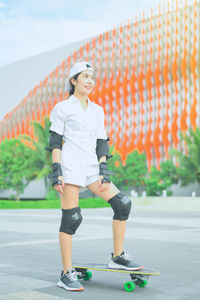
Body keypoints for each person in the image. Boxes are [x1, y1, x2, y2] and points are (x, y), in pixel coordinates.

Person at [48, 61, 143, 292]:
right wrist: (56, 170)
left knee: (122, 204)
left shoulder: (97, 110)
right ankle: (66, 272)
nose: (90, 81)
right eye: (85, 77)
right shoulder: (62, 108)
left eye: (92, 77)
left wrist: (103, 169)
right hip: (70, 166)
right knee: (71, 219)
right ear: (73, 81)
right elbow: (55, 140)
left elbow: (102, 142)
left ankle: (118, 256)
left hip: (91, 167)